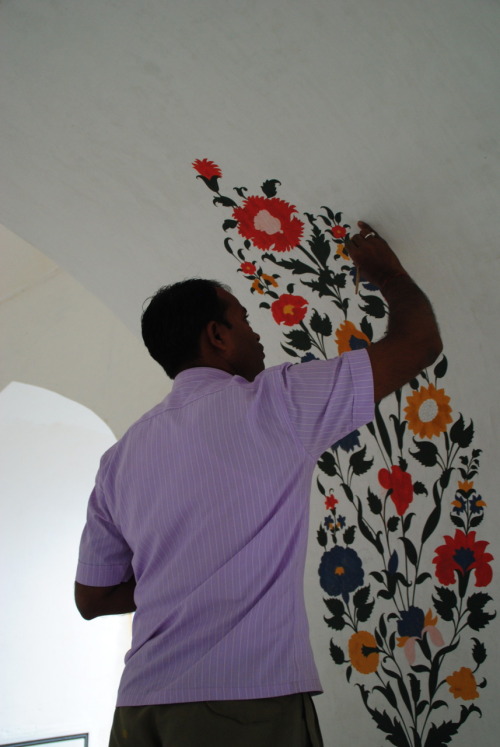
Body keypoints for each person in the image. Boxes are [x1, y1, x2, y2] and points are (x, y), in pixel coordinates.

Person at [75, 222, 442, 746]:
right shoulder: (276, 402)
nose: (257, 333)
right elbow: (419, 343)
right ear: (217, 336)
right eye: (245, 319)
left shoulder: (118, 459)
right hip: (241, 703)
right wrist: (387, 275)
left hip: (139, 712)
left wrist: (173, 576)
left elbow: (91, 597)